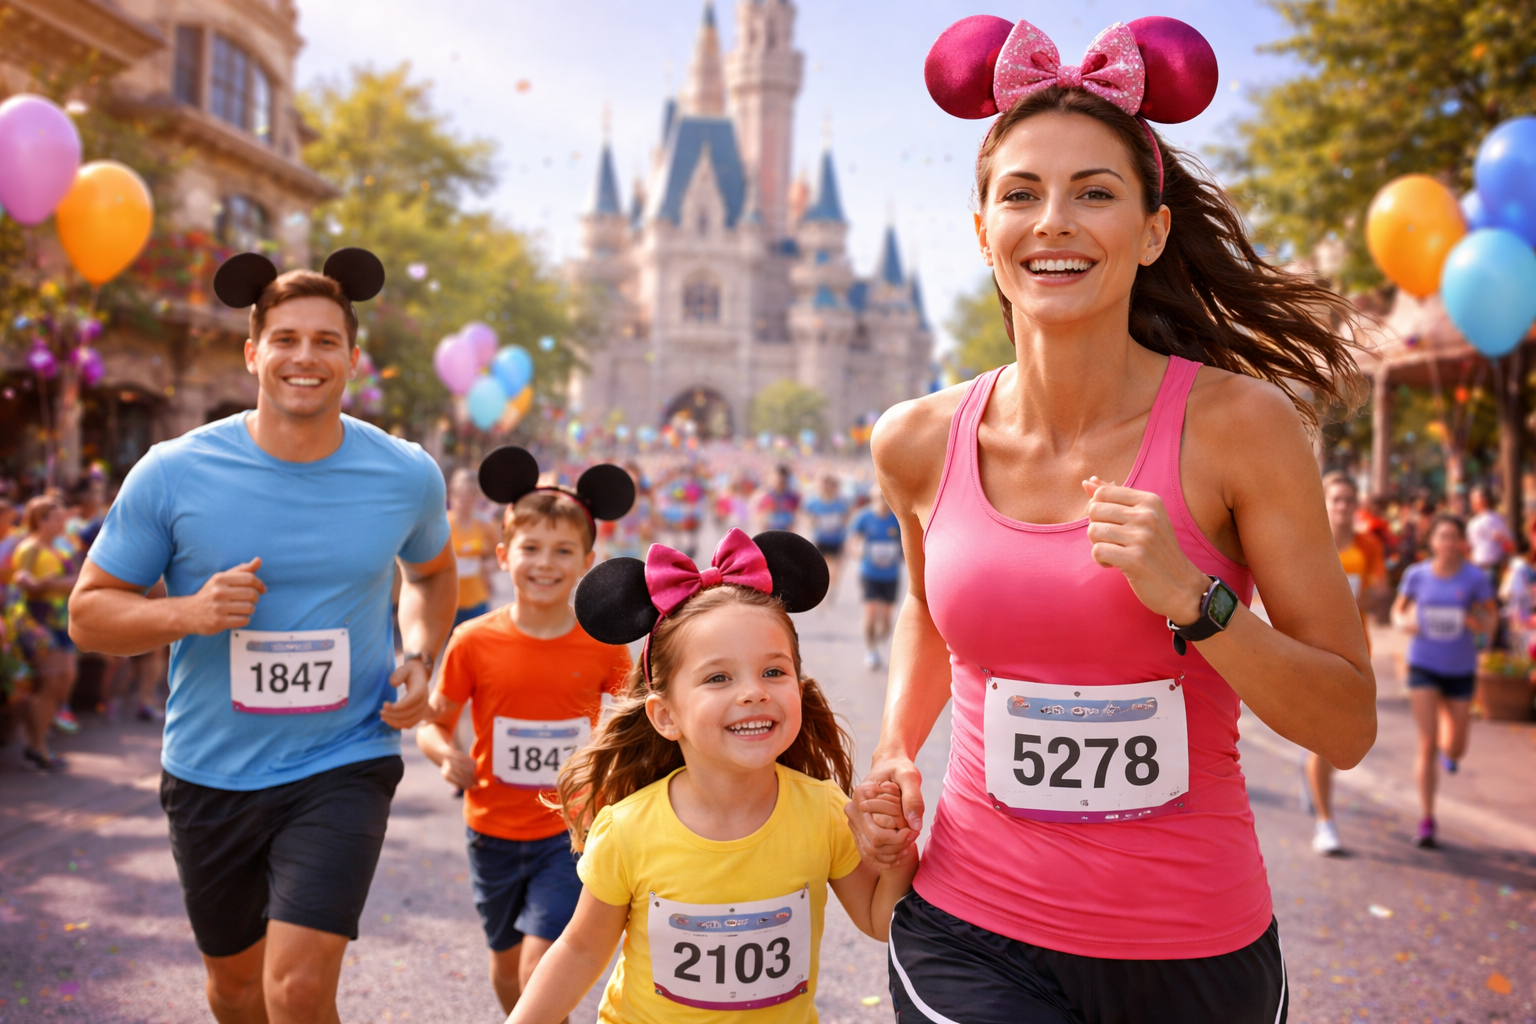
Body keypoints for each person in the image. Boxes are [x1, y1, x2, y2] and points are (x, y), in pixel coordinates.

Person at [845, 19, 1377, 1024]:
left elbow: (1345, 725)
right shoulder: (914, 440)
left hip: (1195, 949)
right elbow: (925, 605)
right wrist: (894, 749)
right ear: (983, 233)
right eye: (1021, 194)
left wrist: (1198, 602)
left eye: (1094, 193)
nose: (1054, 222)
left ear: (1153, 231)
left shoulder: (1241, 428)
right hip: (969, 929)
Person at [68, 248, 458, 1024]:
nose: (304, 357)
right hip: (210, 769)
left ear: (352, 359)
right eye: (285, 339)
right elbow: (88, 614)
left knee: (298, 991)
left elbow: (432, 574)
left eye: (325, 340)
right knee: (237, 992)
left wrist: (419, 656)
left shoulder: (405, 474)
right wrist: (188, 614)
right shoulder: (172, 471)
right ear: (253, 353)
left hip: (344, 757)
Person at [507, 528, 918, 1024]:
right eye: (718, 677)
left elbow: (878, 919)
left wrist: (896, 854)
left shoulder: (824, 810)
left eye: (774, 672)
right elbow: (579, 950)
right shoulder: (627, 829)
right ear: (665, 716)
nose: (753, 692)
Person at [417, 449, 634, 1016]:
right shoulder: (472, 641)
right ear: (502, 555)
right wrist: (444, 755)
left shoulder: (604, 646)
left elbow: (635, 724)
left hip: (569, 831)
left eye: (563, 551)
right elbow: (433, 727)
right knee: (507, 968)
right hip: (490, 829)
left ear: (587, 561)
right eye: (530, 548)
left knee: (539, 965)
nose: (545, 563)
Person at [1390, 515, 1497, 848]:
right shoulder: (1416, 575)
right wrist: (1403, 623)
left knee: (1455, 747)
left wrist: (1478, 623)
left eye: (1454, 536)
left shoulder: (1475, 578)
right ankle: (1427, 818)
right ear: (1432, 541)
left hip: (1460, 668)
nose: (1448, 543)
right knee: (1427, 742)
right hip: (1423, 663)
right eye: (1442, 536)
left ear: (1462, 542)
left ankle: (1448, 753)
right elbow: (1397, 610)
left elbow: (1491, 617)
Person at [1304, 473, 1386, 856]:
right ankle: (1325, 823)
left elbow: (1381, 594)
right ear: (1324, 502)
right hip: (1315, 652)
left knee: (1342, 740)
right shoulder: (1309, 540)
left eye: (1349, 500)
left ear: (1357, 505)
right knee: (1326, 741)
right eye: (1336, 499)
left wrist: (1354, 601)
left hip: (1357, 653)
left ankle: (1314, 776)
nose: (1342, 506)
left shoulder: (1369, 546)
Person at [11, 495, 80, 769]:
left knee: (64, 678)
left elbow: (76, 579)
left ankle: (40, 740)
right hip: (37, 620)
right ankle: (37, 746)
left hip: (61, 620)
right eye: (57, 518)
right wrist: (46, 584)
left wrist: (54, 583)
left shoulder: (61, 548)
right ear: (40, 520)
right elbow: (23, 582)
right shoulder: (29, 547)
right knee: (50, 682)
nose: (63, 522)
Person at [851, 489, 902, 669]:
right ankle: (871, 650)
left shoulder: (897, 518)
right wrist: (857, 551)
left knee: (886, 620)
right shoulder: (864, 517)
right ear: (872, 498)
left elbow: (907, 541)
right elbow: (853, 540)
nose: (882, 501)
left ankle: (879, 644)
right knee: (870, 615)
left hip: (890, 575)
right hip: (869, 574)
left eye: (885, 497)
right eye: (879, 497)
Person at [449, 467, 500, 626]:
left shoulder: (486, 526)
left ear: (476, 496)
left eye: (469, 495)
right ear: (451, 494)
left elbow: (500, 557)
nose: (463, 501)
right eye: (459, 494)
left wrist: (487, 566)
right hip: (447, 601)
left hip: (477, 600)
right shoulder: (442, 526)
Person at [804, 473, 851, 602]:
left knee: (835, 571)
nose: (826, 487)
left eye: (829, 484)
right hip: (820, 541)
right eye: (823, 484)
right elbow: (806, 518)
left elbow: (848, 519)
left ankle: (832, 589)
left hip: (837, 541)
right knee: (820, 569)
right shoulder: (813, 503)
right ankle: (822, 591)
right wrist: (812, 522)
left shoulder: (842, 503)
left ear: (834, 486)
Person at [1465, 486, 1512, 587]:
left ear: (1484, 500)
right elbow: (1469, 546)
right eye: (1471, 499)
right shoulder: (1473, 521)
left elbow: (1507, 542)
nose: (1472, 503)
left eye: (1475, 499)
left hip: (1491, 566)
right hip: (1476, 566)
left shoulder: (1494, 518)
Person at [760, 463, 801, 533]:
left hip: (787, 533)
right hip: (770, 532)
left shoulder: (793, 497)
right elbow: (761, 518)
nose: (779, 480)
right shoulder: (766, 496)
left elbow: (796, 517)